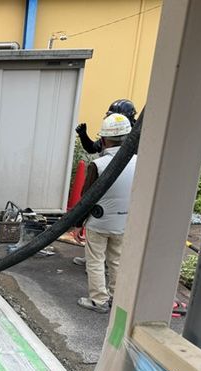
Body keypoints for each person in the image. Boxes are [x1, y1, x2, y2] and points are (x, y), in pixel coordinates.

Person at [77, 113, 137, 313]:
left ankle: (99, 300)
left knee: (95, 261)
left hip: (99, 222)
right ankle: (117, 298)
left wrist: (78, 223)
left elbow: (86, 198)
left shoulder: (99, 165)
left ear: (103, 140)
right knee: (117, 261)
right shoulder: (139, 162)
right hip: (124, 223)